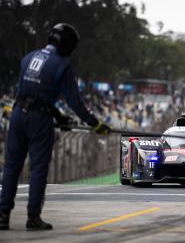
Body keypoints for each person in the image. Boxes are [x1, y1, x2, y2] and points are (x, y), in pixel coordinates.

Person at [0, 23, 110, 231]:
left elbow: (29, 91)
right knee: (38, 169)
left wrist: (58, 116)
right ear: (68, 46)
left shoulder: (28, 57)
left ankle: (2, 215)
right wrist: (95, 124)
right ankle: (33, 217)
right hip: (39, 121)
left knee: (11, 167)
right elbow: (75, 103)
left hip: (17, 115)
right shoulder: (62, 66)